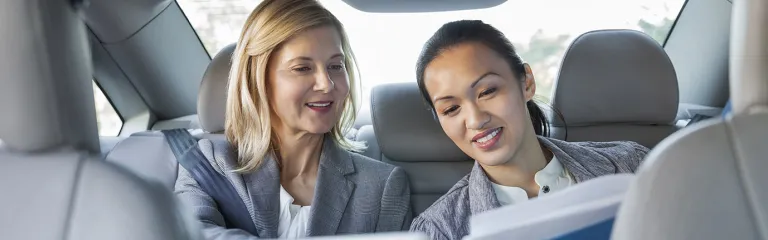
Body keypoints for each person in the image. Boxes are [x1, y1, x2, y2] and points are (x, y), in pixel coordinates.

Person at [175, 0, 411, 239]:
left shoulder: (381, 187)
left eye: (335, 66)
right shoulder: (211, 165)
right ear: (259, 79)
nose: (326, 84)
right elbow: (193, 233)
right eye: (302, 68)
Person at [409, 20, 649, 240]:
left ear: (527, 83)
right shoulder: (437, 230)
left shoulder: (632, 166)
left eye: (487, 92)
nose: (475, 120)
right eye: (451, 109)